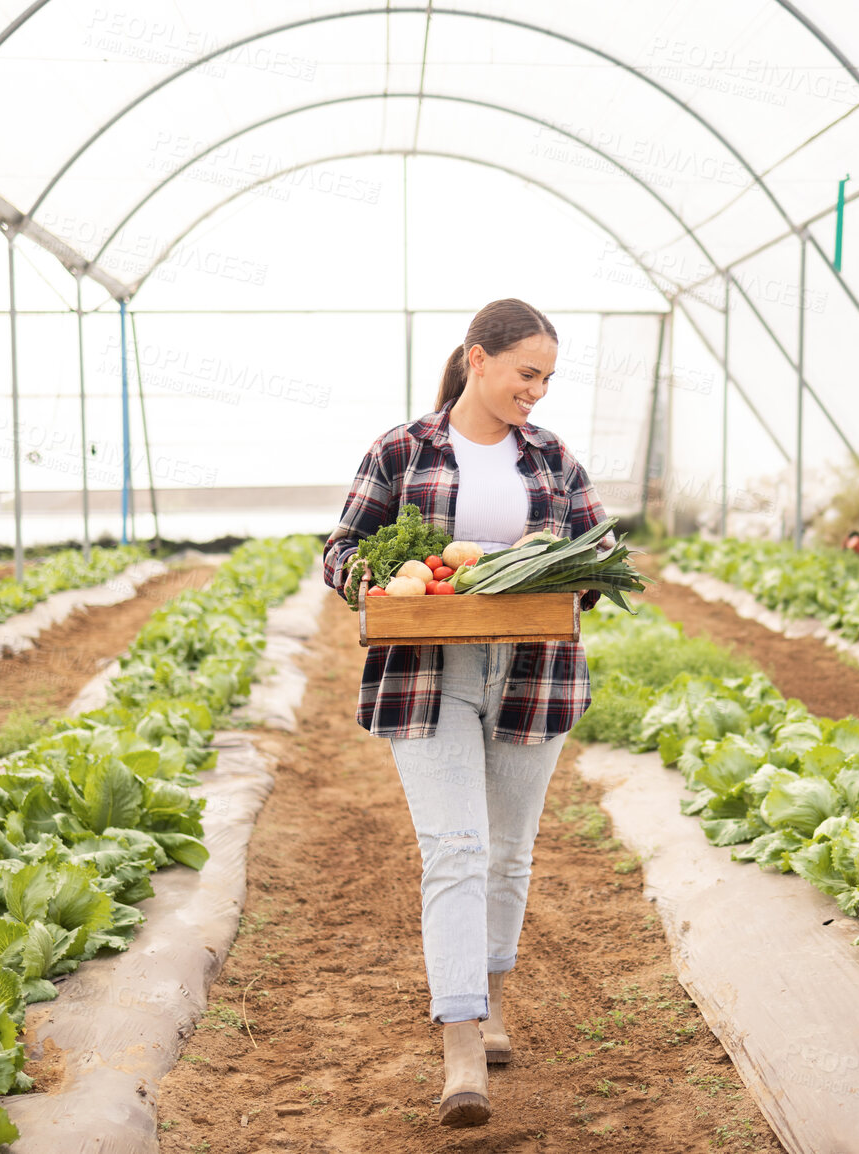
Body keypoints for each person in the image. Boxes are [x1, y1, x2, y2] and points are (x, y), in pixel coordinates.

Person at [321, 298, 606, 1128]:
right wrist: (366, 583)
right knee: (455, 847)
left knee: (508, 854)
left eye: (548, 378)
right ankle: (458, 1043)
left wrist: (567, 572)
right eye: (527, 374)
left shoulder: (553, 460)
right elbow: (341, 548)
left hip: (534, 672)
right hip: (426, 671)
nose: (538, 392)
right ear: (476, 359)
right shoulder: (402, 450)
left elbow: (598, 552)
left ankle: (494, 1000)